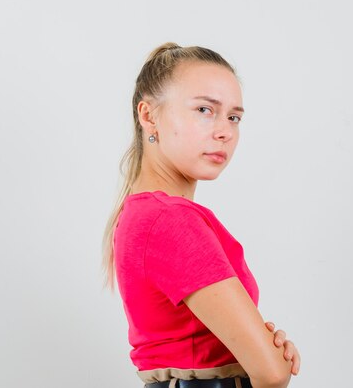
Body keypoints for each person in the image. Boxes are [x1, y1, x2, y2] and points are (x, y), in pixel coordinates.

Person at [102, 42, 301, 388]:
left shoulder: (141, 214)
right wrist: (271, 360)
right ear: (149, 115)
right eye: (205, 110)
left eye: (234, 117)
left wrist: (263, 351)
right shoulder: (170, 219)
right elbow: (271, 373)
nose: (224, 131)